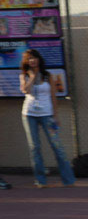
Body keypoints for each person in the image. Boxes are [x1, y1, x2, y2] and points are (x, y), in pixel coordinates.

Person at [20, 49, 75, 188]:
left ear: (39, 60)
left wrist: (55, 116)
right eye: (30, 58)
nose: (33, 60)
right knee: (35, 147)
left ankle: (68, 180)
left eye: (35, 58)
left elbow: (53, 96)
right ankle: (40, 180)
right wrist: (32, 77)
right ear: (27, 61)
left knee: (57, 146)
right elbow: (25, 90)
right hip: (29, 114)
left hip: (47, 115)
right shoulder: (24, 76)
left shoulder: (47, 75)